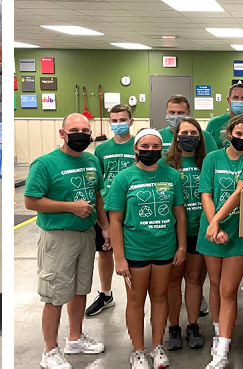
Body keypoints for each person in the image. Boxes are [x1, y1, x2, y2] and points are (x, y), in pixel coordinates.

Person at [26, 114, 108, 369]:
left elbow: (97, 196)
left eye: (85, 130)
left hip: (86, 235)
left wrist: (105, 228)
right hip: (58, 238)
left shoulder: (92, 160)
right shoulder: (44, 164)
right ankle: (50, 351)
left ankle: (75, 338)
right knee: (55, 296)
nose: (81, 134)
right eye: (74, 130)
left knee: (80, 289)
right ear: (62, 134)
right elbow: (31, 201)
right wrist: (70, 207)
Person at [107, 129, 186, 369]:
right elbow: (115, 221)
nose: (150, 151)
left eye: (155, 147)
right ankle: (138, 351)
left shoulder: (172, 176)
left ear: (162, 150)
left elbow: (179, 213)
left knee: (161, 298)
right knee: (136, 301)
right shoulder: (124, 178)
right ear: (136, 149)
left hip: (164, 249)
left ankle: (158, 345)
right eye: (145, 146)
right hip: (135, 252)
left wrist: (182, 245)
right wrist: (119, 258)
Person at [199, 115, 243, 369]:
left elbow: (239, 192)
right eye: (239, 134)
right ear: (229, 132)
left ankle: (222, 351)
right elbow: (205, 191)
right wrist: (212, 223)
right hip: (211, 231)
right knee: (214, 286)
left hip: (237, 231)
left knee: (228, 290)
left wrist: (217, 222)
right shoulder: (212, 158)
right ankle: (219, 334)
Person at [162, 116, 210, 353]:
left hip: (199, 231)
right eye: (184, 133)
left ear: (200, 137)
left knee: (193, 279)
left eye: (193, 133)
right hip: (172, 233)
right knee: (173, 281)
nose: (188, 137)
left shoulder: (207, 162)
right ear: (176, 136)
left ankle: (192, 325)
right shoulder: (167, 163)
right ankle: (173, 327)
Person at [88, 104, 138, 318]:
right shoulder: (101, 149)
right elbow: (99, 181)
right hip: (109, 206)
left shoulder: (139, 144)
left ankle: (137, 296)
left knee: (135, 254)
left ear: (131, 121)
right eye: (114, 120)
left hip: (134, 207)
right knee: (105, 251)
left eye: (122, 120)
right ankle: (106, 294)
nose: (118, 124)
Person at [203, 82, 243, 150]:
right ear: (228, 100)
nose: (239, 101)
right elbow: (206, 149)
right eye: (236, 97)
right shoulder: (214, 123)